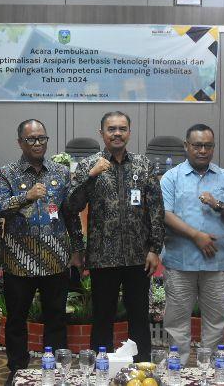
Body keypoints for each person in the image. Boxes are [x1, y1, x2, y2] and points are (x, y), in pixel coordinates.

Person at [68, 111, 164, 362]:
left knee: (139, 317)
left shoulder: (143, 165)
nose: (117, 133)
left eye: (122, 128)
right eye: (111, 129)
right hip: (103, 257)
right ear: (101, 133)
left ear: (129, 132)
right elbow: (72, 205)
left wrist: (154, 249)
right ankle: (102, 368)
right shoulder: (89, 165)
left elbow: (156, 209)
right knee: (102, 317)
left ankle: (142, 367)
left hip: (138, 256)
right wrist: (91, 176)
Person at [0, 119, 83, 382]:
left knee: (56, 318)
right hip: (19, 261)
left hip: (55, 259)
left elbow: (70, 214)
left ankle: (54, 371)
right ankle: (18, 370)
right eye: (31, 139)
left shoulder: (60, 172)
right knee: (17, 320)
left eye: (42, 138)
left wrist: (78, 248)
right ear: (20, 142)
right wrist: (26, 197)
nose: (37, 143)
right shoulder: (8, 172)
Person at [160, 124, 224, 365]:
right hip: (180, 262)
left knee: (216, 321)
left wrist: (217, 204)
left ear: (213, 148)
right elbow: (164, 214)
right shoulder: (171, 178)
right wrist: (196, 236)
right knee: (176, 322)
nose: (202, 150)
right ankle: (177, 368)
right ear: (186, 146)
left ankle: (208, 370)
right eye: (197, 145)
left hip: (216, 263)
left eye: (208, 146)